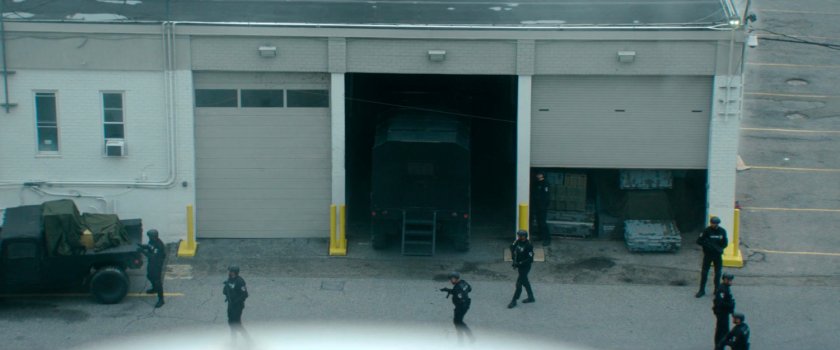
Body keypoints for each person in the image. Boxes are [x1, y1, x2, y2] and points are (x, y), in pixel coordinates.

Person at [696, 216, 728, 297]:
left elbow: (725, 243)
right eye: (712, 223)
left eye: (715, 223)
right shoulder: (706, 231)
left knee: (718, 273)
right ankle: (702, 290)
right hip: (708, 255)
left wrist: (720, 248)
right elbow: (699, 241)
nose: (713, 225)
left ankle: (717, 290)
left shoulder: (722, 231)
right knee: (704, 273)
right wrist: (707, 245)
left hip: (717, 255)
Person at [440, 271, 474, 343]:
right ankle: (468, 339)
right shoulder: (463, 282)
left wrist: (458, 307)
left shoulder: (457, 287)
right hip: (466, 305)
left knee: (458, 323)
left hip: (461, 307)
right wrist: (447, 290)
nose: (450, 281)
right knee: (458, 322)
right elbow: (470, 289)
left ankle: (464, 341)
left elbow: (459, 296)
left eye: (451, 279)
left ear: (455, 278)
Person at [138, 229, 166, 308]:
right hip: (152, 263)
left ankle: (161, 300)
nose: (149, 238)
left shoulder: (159, 245)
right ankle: (154, 289)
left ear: (154, 236)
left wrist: (142, 251)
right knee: (149, 276)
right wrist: (141, 246)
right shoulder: (151, 241)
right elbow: (149, 246)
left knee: (157, 281)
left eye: (150, 236)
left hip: (157, 264)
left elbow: (153, 256)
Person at [508, 230, 535, 308]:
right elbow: (512, 247)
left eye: (520, 235)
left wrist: (519, 263)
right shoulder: (518, 241)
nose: (519, 237)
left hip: (525, 267)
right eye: (518, 235)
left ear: (524, 236)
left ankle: (514, 300)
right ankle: (531, 297)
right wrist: (514, 259)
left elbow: (530, 259)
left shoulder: (528, 245)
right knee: (525, 282)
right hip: (519, 266)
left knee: (519, 284)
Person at [224, 265, 250, 344]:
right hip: (230, 305)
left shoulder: (240, 281)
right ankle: (233, 341)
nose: (229, 272)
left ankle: (249, 341)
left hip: (237, 306)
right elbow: (225, 291)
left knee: (237, 324)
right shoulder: (229, 279)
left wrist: (236, 301)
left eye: (230, 271)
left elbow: (245, 294)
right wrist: (226, 288)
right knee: (231, 322)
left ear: (234, 272)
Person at [713, 273, 736, 347]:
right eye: (730, 280)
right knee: (720, 329)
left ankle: (725, 342)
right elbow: (721, 302)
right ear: (725, 280)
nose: (731, 282)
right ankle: (718, 345)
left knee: (725, 328)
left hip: (724, 312)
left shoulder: (726, 287)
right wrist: (730, 305)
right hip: (721, 312)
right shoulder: (722, 289)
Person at [533, 172, 551, 246]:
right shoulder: (537, 183)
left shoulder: (545, 183)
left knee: (543, 223)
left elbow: (547, 196)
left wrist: (544, 205)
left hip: (542, 206)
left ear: (542, 175)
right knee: (539, 222)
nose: (537, 175)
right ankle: (540, 236)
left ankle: (547, 239)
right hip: (537, 205)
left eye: (539, 174)